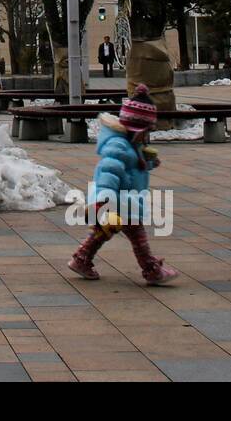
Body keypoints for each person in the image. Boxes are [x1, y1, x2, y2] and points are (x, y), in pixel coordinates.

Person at [68, 84, 179, 285]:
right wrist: (103, 201)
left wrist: (149, 162)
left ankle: (81, 258)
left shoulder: (132, 145)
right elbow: (108, 174)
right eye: (146, 132)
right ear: (136, 129)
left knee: (103, 233)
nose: (147, 137)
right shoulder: (118, 147)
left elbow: (133, 168)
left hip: (125, 201)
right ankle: (151, 269)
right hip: (117, 201)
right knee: (137, 237)